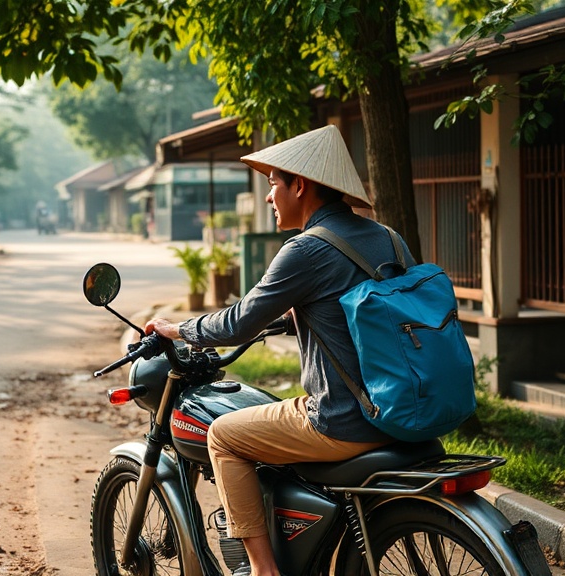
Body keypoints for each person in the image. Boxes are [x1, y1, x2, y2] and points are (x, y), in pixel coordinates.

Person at [144, 125, 417, 576]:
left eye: (273, 183)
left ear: (300, 185)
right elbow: (368, 310)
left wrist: (176, 329)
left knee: (223, 436)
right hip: (400, 408)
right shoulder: (387, 237)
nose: (270, 196)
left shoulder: (306, 250)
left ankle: (263, 570)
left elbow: (236, 323)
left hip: (345, 420)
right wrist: (297, 318)